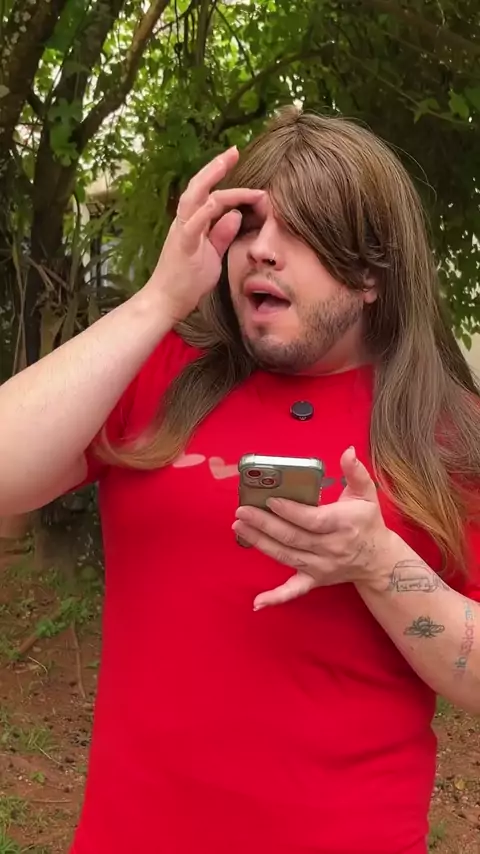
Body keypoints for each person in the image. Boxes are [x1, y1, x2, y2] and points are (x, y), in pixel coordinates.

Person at [0, 106, 479, 854]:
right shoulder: (159, 374)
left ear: (369, 273)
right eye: (249, 226)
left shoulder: (447, 432)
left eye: (300, 232)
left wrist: (378, 563)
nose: (262, 250)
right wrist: (160, 300)